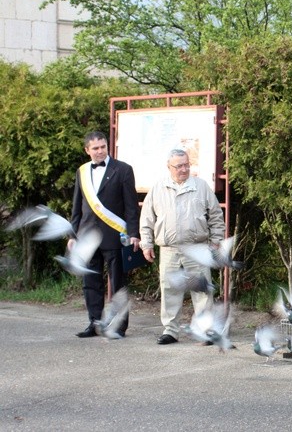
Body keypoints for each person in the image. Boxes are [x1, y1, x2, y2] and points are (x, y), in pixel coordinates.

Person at [139, 149, 225, 345]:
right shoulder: (158, 188)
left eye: (187, 164)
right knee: (169, 289)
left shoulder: (201, 186)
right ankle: (170, 331)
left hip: (197, 248)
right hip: (169, 249)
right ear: (169, 167)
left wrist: (216, 239)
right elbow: (147, 219)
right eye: (179, 166)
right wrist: (146, 244)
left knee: (201, 291)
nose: (184, 169)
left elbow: (215, 215)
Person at [70, 131, 140, 338]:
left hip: (115, 235)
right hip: (87, 236)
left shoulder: (123, 170)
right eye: (95, 148)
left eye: (103, 147)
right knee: (90, 282)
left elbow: (131, 206)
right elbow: (77, 207)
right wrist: (73, 235)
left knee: (118, 282)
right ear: (87, 150)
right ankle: (94, 322)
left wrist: (134, 233)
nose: (100, 151)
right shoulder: (81, 171)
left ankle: (119, 325)